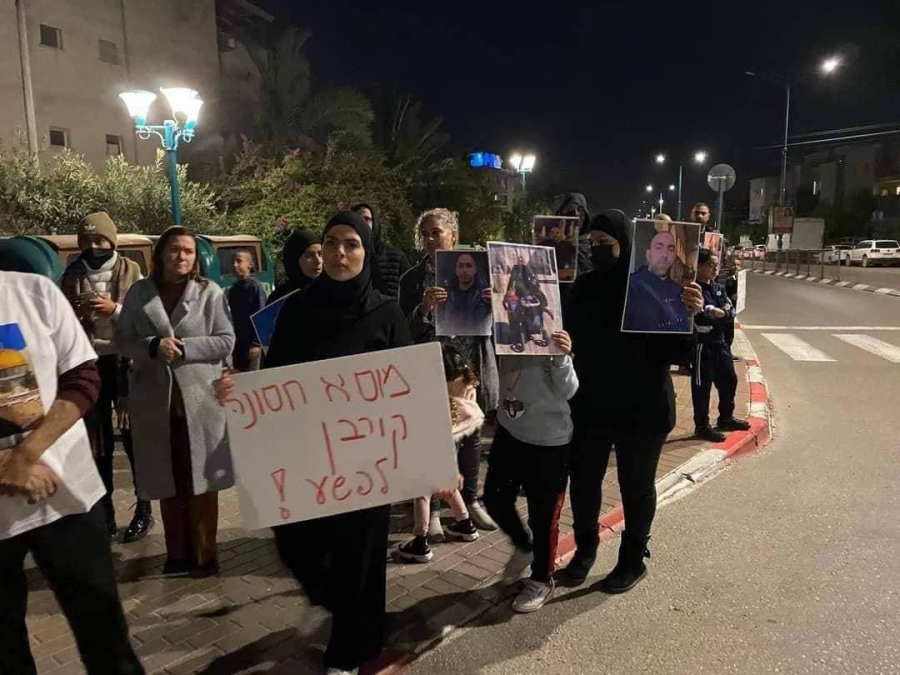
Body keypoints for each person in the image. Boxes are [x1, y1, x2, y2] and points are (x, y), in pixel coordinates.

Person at [216, 211, 412, 675]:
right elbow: (276, 380)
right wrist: (239, 391)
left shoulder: (386, 313)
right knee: (295, 543)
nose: (340, 252)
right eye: (332, 242)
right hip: (310, 456)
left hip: (367, 458)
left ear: (366, 252)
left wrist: (430, 460)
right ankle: (342, 608)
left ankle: (347, 651)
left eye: (352, 243)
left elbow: (408, 386)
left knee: (358, 557)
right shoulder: (298, 309)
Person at [0, 271, 144, 675]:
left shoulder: (32, 292)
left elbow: (82, 378)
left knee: (105, 638)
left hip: (66, 498)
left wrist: (26, 453)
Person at [565, 210, 703, 593]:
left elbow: (679, 351)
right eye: (591, 243)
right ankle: (584, 551)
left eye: (604, 243)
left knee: (636, 485)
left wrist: (688, 314)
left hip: (642, 405)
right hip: (592, 403)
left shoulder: (651, 286)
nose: (595, 249)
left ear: (624, 244)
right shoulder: (585, 286)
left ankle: (632, 560)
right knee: (584, 482)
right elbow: (568, 332)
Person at [116, 227, 235, 577]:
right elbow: (124, 340)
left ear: (195, 257)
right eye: (174, 250)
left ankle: (205, 555)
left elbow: (226, 340)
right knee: (167, 479)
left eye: (188, 251)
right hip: (155, 402)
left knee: (201, 481)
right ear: (160, 254)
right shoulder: (139, 293)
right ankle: (177, 553)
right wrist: (153, 346)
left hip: (199, 402)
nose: (181, 257)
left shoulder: (209, 292)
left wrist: (185, 348)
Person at [400, 208, 499, 537]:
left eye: (436, 232)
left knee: (470, 434)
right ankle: (435, 509)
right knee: (435, 440)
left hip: (469, 364)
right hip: (431, 368)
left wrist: (496, 303)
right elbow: (404, 330)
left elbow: (502, 323)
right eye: (425, 233)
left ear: (453, 235)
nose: (430, 239)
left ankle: (470, 500)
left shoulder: (479, 269)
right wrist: (424, 308)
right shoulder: (412, 278)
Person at [59, 212, 153, 543]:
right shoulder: (71, 275)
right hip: (89, 364)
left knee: (133, 440)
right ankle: (105, 513)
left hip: (126, 364)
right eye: (86, 241)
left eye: (100, 240)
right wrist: (77, 315)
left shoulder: (132, 271)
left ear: (112, 241)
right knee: (98, 445)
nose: (93, 247)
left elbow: (148, 318)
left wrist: (116, 310)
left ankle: (144, 510)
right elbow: (60, 321)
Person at [484, 329, 577, 613]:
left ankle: (541, 578)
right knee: (495, 498)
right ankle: (524, 545)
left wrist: (561, 357)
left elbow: (569, 390)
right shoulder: (505, 325)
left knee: (544, 517)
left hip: (549, 441)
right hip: (510, 431)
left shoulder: (554, 329)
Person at [397, 345, 482, 564]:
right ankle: (465, 524)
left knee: (422, 492)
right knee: (448, 485)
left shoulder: (437, 388)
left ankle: (420, 540)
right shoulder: (466, 383)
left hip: (431, 444)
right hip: (451, 441)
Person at [691, 249, 751, 442]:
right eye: (711, 265)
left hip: (720, 343)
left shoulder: (718, 288)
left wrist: (720, 313)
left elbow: (729, 311)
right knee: (702, 386)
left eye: (717, 265)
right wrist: (718, 314)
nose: (715, 268)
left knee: (729, 380)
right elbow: (701, 317)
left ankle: (726, 418)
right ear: (699, 266)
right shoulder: (693, 289)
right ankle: (702, 426)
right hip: (703, 345)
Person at [623, 230, 692, 332]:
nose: (665, 255)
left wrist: (693, 315)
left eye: (670, 249)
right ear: (648, 254)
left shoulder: (679, 290)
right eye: (658, 248)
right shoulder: (630, 285)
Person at [352, 203, 410, 299]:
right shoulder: (343, 257)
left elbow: (411, 295)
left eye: (366, 219)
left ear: (375, 223)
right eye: (357, 219)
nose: (361, 223)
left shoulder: (397, 258)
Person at [226, 249, 267, 372]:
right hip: (238, 346)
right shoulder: (233, 290)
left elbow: (261, 316)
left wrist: (256, 343)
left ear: (250, 264)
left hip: (252, 346)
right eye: (232, 262)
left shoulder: (254, 287)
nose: (235, 265)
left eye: (239, 261)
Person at [439, 252, 492, 336]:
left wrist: (495, 304)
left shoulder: (486, 293)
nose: (465, 270)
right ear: (456, 269)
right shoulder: (445, 293)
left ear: (475, 269)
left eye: (469, 266)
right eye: (461, 266)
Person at [267, 228, 322, 305]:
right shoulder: (280, 298)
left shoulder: (334, 291)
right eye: (309, 255)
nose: (318, 261)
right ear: (294, 260)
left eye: (320, 254)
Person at [555, 192, 593, 277]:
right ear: (559, 214)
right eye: (569, 209)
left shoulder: (593, 246)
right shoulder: (549, 244)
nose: (576, 213)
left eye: (580, 210)